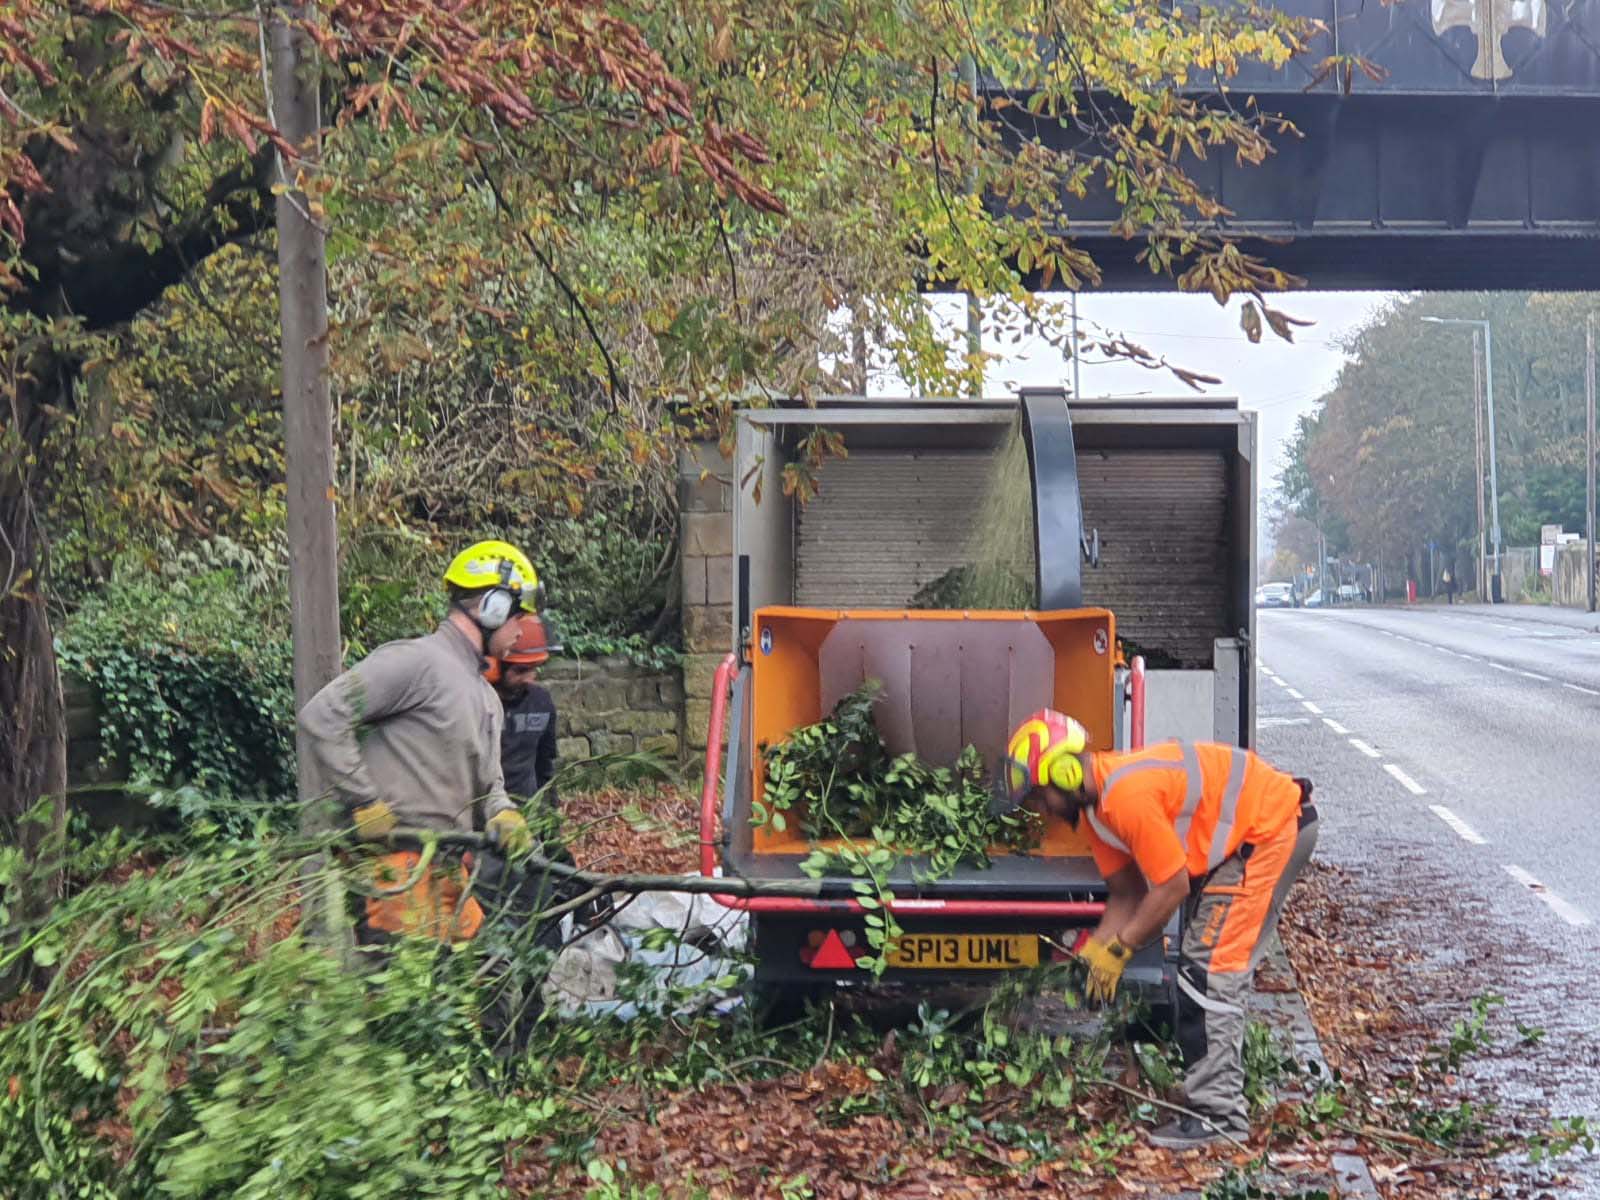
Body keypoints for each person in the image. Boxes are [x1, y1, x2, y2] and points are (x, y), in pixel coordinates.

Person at [993, 711, 1318, 1148]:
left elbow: (1170, 889)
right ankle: (1209, 1093)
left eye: (1040, 797)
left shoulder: (1125, 796)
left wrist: (1120, 949)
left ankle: (1220, 1118)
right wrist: (1095, 954)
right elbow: (1126, 894)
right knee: (1200, 966)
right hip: (1245, 841)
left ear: (1065, 772)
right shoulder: (1096, 814)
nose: (1041, 810)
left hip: (1269, 831)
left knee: (1209, 971)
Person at [298, 539, 540, 948]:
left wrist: (503, 813)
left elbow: (490, 786)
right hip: (394, 870)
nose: (521, 629)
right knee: (409, 1002)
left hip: (446, 870)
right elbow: (322, 716)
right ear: (492, 606)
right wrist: (364, 801)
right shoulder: (415, 662)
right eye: (517, 616)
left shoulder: (486, 698)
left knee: (487, 984)